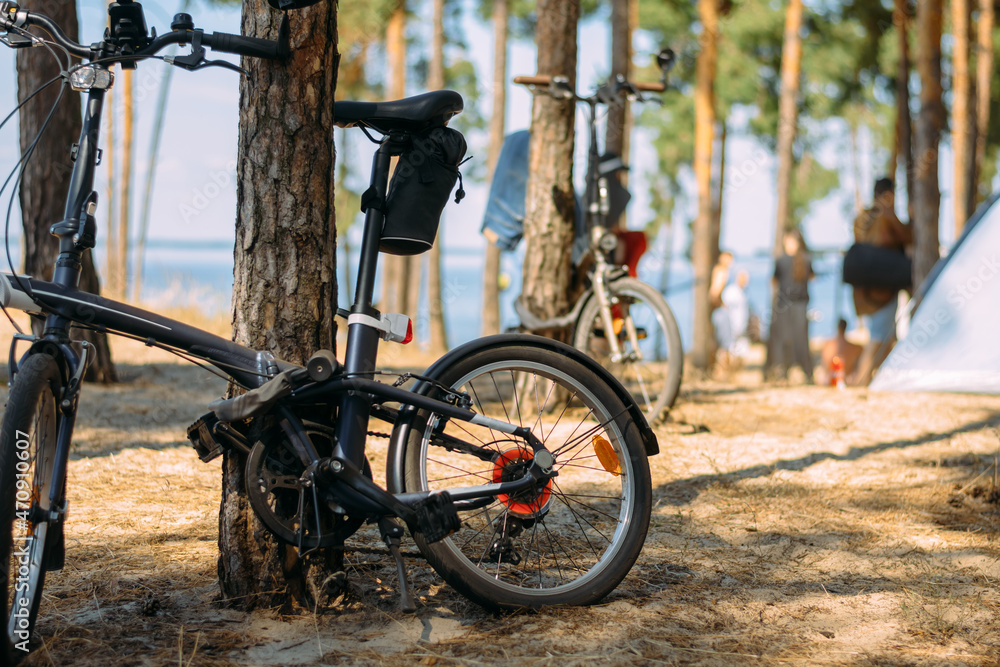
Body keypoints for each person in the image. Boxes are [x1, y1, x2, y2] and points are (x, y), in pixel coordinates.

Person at [852, 177, 912, 385]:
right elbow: (906, 237)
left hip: (866, 290)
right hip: (882, 290)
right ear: (887, 195)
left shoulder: (863, 218)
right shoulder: (883, 217)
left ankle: (881, 379)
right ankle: (862, 379)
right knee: (878, 338)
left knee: (884, 337)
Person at [768, 229, 814, 382]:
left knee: (783, 339)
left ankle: (782, 371)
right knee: (800, 339)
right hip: (800, 304)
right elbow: (813, 278)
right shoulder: (806, 259)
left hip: (784, 304)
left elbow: (774, 281)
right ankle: (806, 372)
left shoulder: (782, 260)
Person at [713, 269, 751, 374]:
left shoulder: (743, 293)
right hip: (731, 328)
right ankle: (724, 374)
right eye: (744, 279)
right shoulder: (731, 292)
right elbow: (724, 309)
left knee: (740, 355)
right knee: (726, 353)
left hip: (741, 329)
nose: (746, 281)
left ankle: (734, 375)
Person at [816, 319, 863, 386]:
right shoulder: (855, 348)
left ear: (837, 327)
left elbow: (823, 364)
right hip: (845, 379)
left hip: (829, 378)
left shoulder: (827, 345)